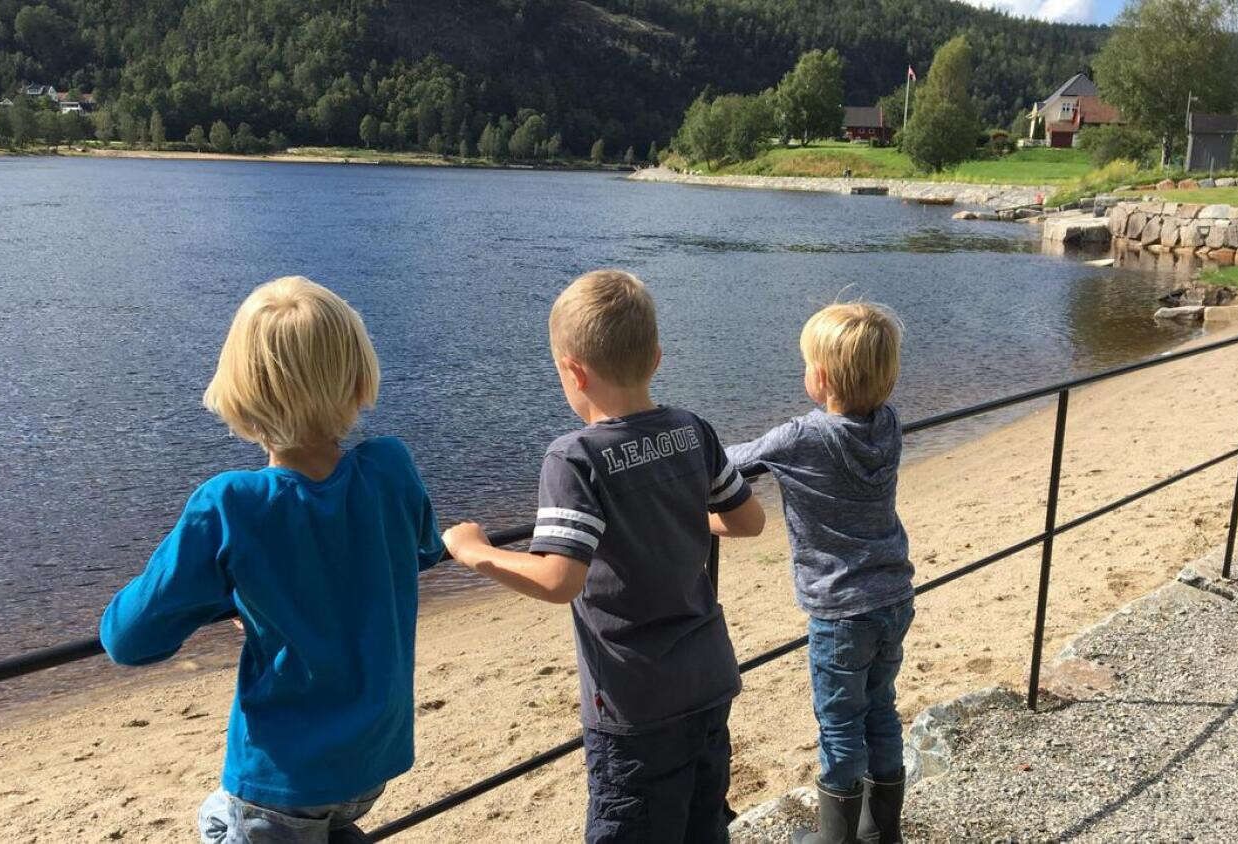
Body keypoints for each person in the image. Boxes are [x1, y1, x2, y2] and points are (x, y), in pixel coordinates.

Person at [99, 276, 443, 844]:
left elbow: (128, 638)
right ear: (358, 376)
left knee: (222, 819)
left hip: (284, 777)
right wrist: (262, 600)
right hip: (372, 760)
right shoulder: (390, 467)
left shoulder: (230, 503)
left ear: (241, 389)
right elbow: (421, 551)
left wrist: (239, 595)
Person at [443, 269, 765, 843]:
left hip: (634, 699)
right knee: (702, 825)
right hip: (709, 676)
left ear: (574, 372)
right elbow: (749, 520)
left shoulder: (574, 457)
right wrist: (675, 516)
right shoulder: (692, 430)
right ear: (656, 358)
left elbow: (558, 579)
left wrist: (476, 553)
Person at [726, 302, 913, 844]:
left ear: (822, 378)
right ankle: (881, 832)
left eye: (806, 364)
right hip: (893, 594)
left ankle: (836, 839)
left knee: (839, 724)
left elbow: (728, 461)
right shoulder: (888, 423)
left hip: (840, 609)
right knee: (880, 708)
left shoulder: (801, 437)